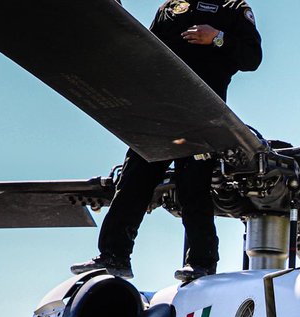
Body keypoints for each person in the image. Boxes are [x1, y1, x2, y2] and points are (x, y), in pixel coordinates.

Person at [71, 1, 263, 284]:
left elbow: (252, 58)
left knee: (193, 190)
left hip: (201, 116)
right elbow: (144, 52)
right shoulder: (170, 8)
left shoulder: (232, 8)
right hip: (158, 115)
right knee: (132, 183)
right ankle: (114, 255)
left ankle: (201, 263)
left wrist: (217, 38)